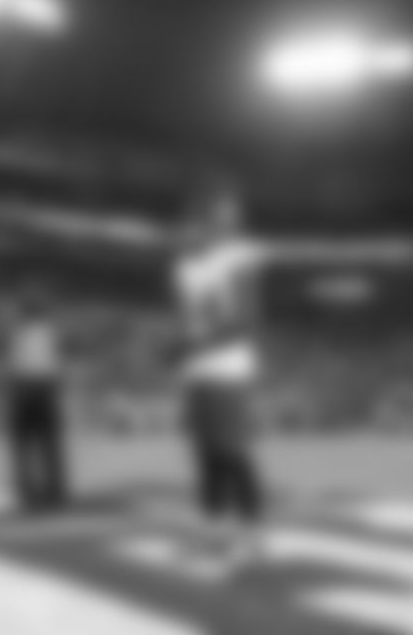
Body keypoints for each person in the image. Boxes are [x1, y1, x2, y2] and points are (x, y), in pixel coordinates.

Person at [173, 187, 268, 564]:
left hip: (229, 368)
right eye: (188, 223)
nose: (189, 230)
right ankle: (214, 530)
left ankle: (252, 533)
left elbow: (246, 320)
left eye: (227, 217)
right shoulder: (185, 267)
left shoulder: (239, 257)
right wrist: (182, 348)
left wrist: (194, 345)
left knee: (232, 453)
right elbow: (193, 321)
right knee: (205, 455)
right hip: (198, 371)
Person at [5, 292, 69, 512]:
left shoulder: (18, 333)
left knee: (26, 446)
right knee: (47, 445)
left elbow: (12, 366)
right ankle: (53, 492)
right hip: (42, 389)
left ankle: (29, 493)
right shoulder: (48, 332)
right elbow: (56, 366)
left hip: (26, 390)